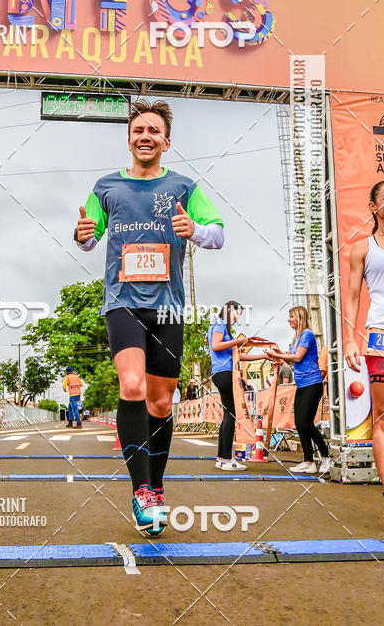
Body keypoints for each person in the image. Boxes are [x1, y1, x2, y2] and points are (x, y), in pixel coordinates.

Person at [75, 99, 224, 533]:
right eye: (139, 129)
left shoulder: (183, 187)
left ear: (166, 141)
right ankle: (141, 492)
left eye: (154, 130)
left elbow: (218, 233)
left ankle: (156, 485)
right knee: (133, 384)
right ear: (129, 139)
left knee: (161, 402)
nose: (146, 136)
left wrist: (195, 231)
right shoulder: (106, 187)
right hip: (121, 301)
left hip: (168, 307)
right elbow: (88, 235)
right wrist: (83, 235)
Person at [345, 180, 384, 531]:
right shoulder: (362, 248)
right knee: (383, 420)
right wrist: (350, 339)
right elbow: (350, 298)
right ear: (373, 206)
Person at [267, 307, 330, 475]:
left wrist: (280, 355)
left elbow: (297, 357)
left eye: (291, 316)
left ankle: (325, 456)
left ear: (300, 317)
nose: (288, 320)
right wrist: (276, 355)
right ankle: (308, 461)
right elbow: (289, 356)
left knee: (306, 423)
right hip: (302, 385)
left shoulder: (307, 334)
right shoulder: (295, 337)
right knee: (300, 424)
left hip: (312, 383)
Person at [208, 301, 270, 470]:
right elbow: (215, 345)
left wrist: (262, 356)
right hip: (224, 373)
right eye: (237, 314)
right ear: (229, 311)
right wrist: (237, 341)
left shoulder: (223, 328)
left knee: (228, 414)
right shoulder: (220, 323)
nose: (237, 319)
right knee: (231, 415)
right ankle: (227, 459)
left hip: (223, 372)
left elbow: (238, 356)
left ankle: (221, 457)